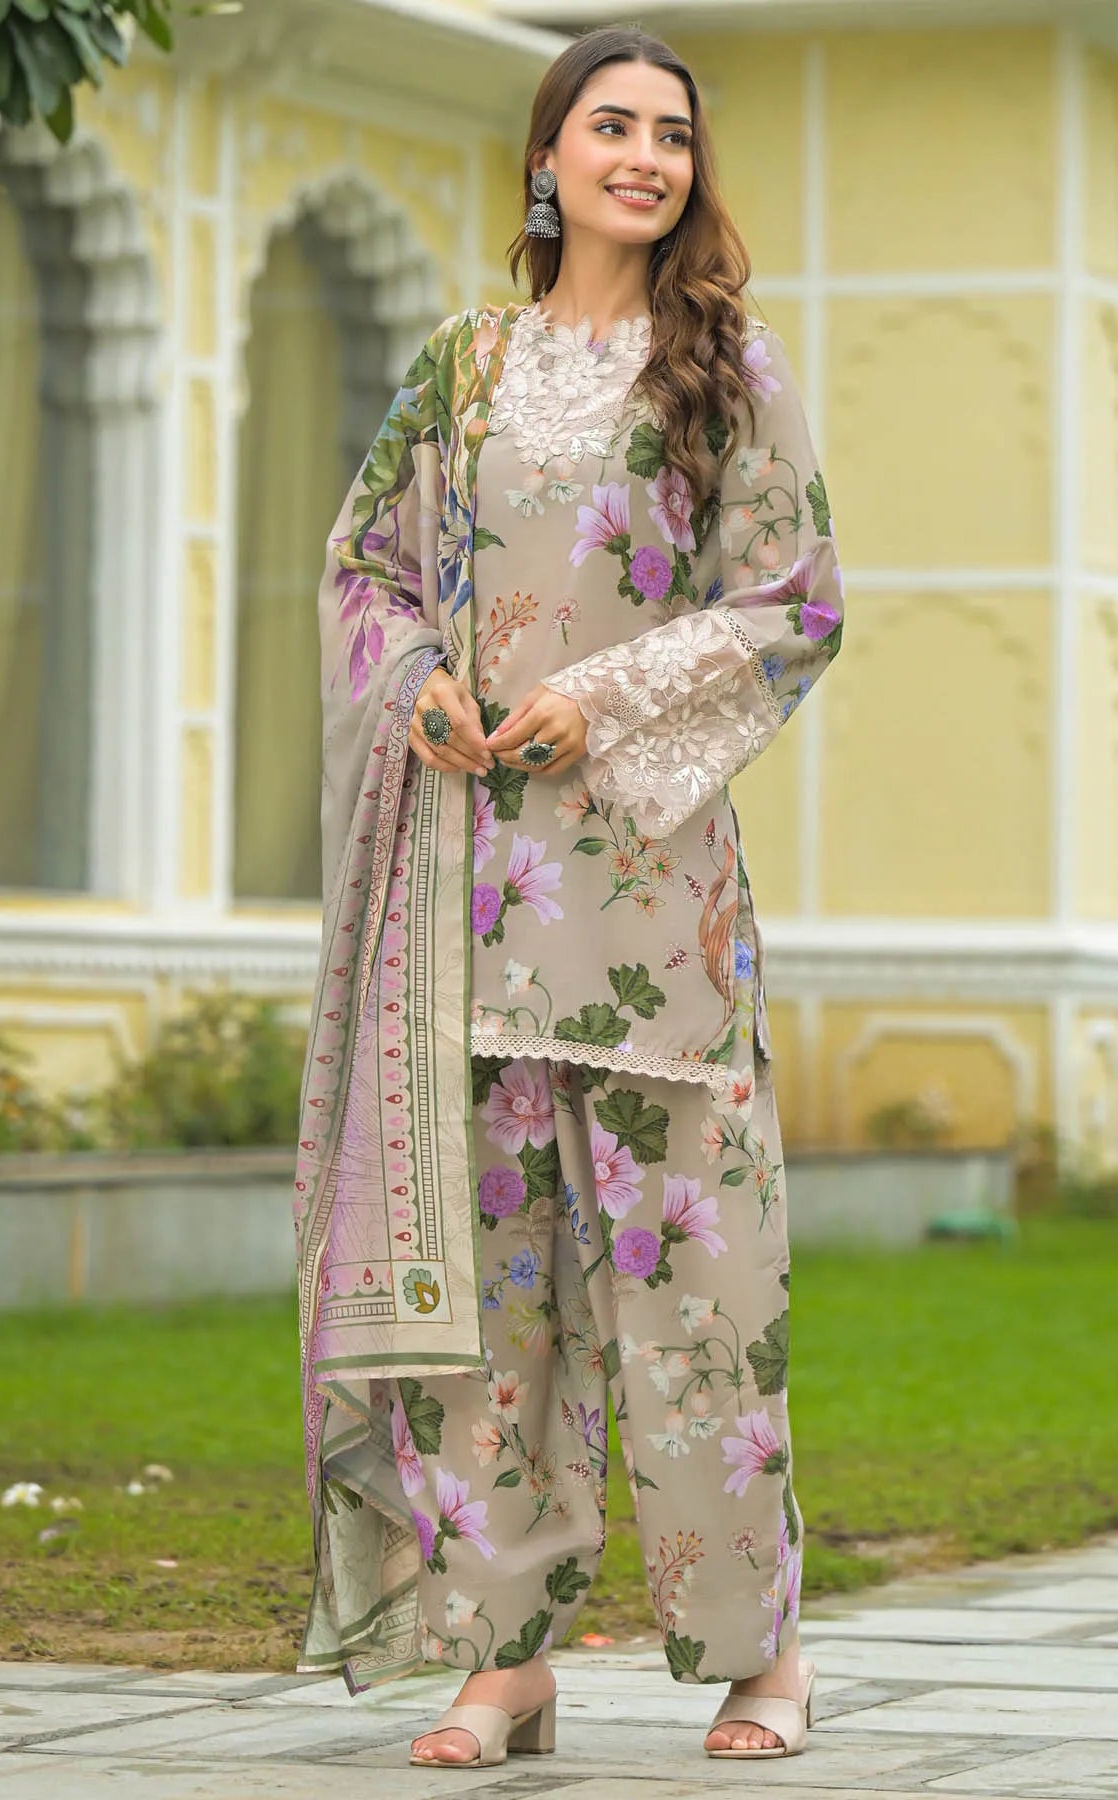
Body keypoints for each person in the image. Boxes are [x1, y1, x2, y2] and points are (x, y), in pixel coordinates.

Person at [292, 23, 844, 1773]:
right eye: (610, 125)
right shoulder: (458, 369)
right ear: (548, 155)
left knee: (696, 1295)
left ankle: (763, 1661)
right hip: (462, 901)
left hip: (646, 902)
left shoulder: (728, 373)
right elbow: (364, 571)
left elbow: (796, 603)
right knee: (492, 1302)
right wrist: (427, 685)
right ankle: (505, 1658)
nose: (644, 157)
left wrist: (595, 698)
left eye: (671, 134)